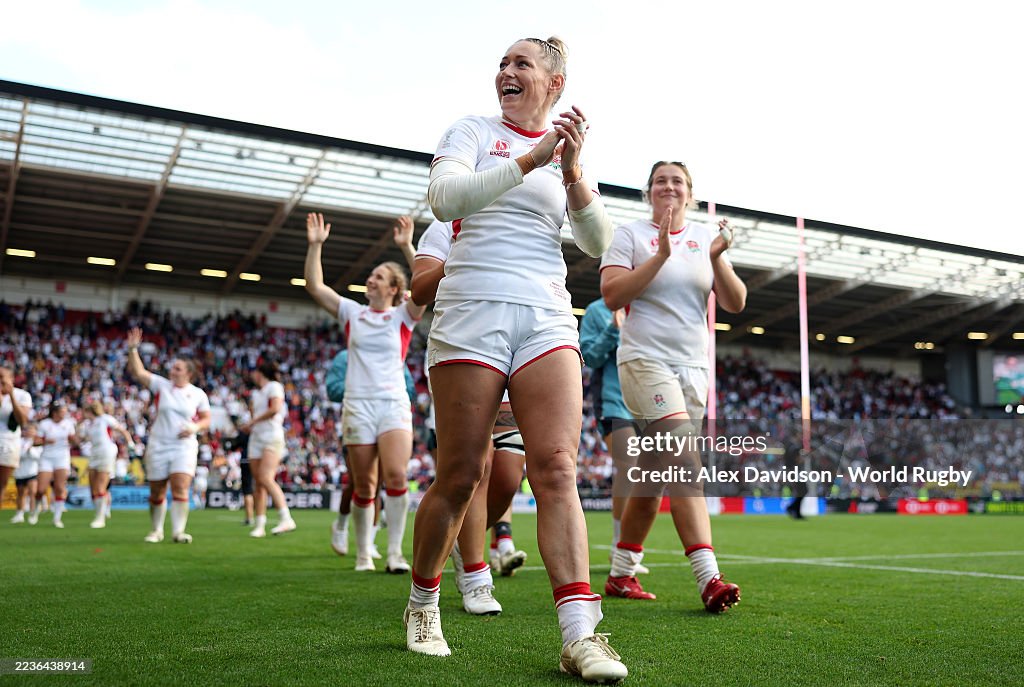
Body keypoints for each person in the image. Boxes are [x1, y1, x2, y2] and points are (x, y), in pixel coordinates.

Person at [405, 35, 627, 682]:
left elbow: (597, 241)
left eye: (520, 63)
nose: (505, 71)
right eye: (503, 63)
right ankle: (423, 600)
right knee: (460, 473)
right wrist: (532, 159)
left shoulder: (564, 156)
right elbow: (444, 201)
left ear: (554, 84)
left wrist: (574, 171)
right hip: (472, 308)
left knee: (557, 466)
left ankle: (580, 635)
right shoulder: (472, 130)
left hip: (547, 314)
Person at [600, 161, 747, 612]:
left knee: (653, 474)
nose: (669, 186)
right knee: (685, 461)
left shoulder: (705, 238)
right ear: (649, 192)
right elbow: (611, 295)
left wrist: (718, 255)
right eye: (661, 180)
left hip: (693, 368)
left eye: (677, 181)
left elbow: (736, 302)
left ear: (690, 194)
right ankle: (709, 578)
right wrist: (660, 255)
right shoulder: (628, 235)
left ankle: (622, 573)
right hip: (644, 361)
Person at [305, 212, 425, 573]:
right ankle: (362, 554)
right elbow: (315, 287)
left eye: (378, 278)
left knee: (397, 477)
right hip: (357, 406)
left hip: (392, 404)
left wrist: (406, 246)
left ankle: (394, 554)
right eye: (370, 276)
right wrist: (315, 246)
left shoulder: (404, 316)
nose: (370, 280)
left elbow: (426, 283)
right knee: (365, 484)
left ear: (393, 288)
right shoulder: (352, 312)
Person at [578, 298, 649, 577]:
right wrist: (613, 328)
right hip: (613, 401)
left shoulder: (647, 305)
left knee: (644, 473)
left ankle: (628, 548)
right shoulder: (597, 310)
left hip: (647, 400)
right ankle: (621, 547)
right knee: (628, 465)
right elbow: (590, 356)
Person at [326, 348, 416, 558]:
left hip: (388, 419)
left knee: (378, 484)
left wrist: (387, 390)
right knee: (360, 482)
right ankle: (340, 525)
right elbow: (333, 388)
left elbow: (409, 389)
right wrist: (365, 387)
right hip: (358, 418)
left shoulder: (395, 355)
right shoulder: (345, 357)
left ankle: (369, 541)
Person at [125, 327, 212, 543]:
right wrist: (133, 349)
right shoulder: (162, 385)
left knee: (181, 485)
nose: (172, 371)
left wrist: (194, 428)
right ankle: (156, 530)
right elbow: (139, 372)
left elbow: (206, 420)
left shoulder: (198, 394)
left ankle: (178, 531)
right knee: (156, 491)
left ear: (189, 374)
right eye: (173, 368)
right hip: (158, 444)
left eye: (177, 369)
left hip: (184, 446)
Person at [241, 361, 296, 537]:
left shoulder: (274, 387)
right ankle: (260, 524)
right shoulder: (256, 393)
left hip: (272, 437)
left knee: (265, 477)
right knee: (259, 483)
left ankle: (286, 517)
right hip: (256, 438)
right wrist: (251, 424)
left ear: (260, 373)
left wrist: (253, 421)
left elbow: (275, 409)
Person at [82, 400, 134, 528]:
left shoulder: (105, 419)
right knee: (93, 488)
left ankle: (100, 518)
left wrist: (130, 443)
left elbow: (122, 430)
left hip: (106, 452)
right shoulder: (89, 425)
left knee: (100, 487)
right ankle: (99, 513)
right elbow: (84, 439)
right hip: (94, 454)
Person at [34, 401, 78, 528]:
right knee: (41, 489)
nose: (64, 414)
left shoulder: (69, 424)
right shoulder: (44, 424)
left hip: (62, 458)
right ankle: (36, 509)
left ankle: (57, 518)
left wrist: (74, 439)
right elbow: (35, 442)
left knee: (59, 487)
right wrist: (46, 441)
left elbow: (74, 441)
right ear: (55, 413)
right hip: (47, 457)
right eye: (62, 412)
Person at [1, 366, 32, 519]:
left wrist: (11, 394)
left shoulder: (22, 395)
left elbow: (22, 421)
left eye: (2, 377)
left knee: (2, 484)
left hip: (8, 443)